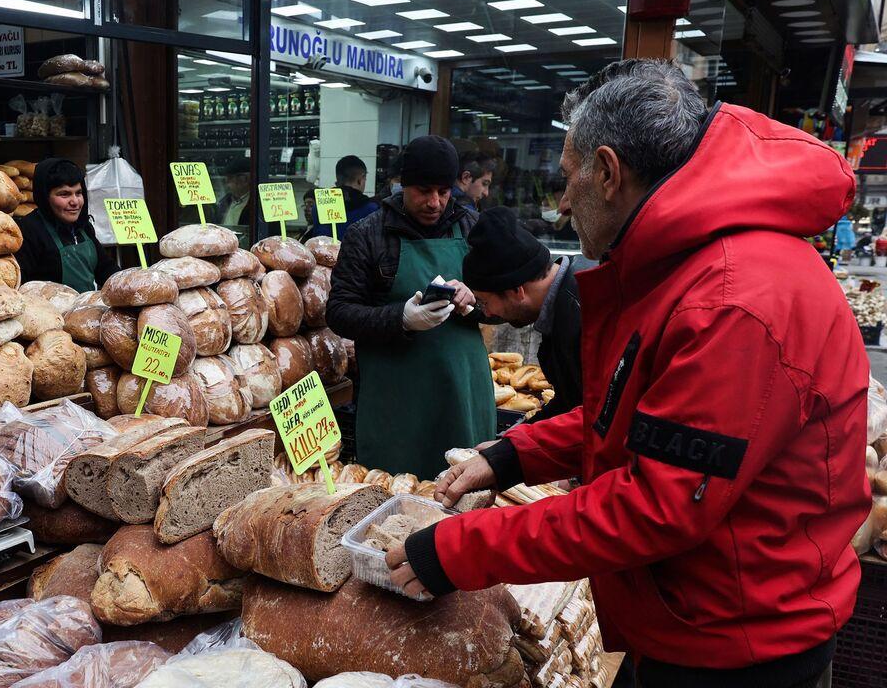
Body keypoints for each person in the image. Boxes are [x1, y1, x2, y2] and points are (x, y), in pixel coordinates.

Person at [388, 59, 866, 688]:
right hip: (690, 622)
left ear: (609, 173)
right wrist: (512, 457)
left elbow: (656, 505)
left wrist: (456, 549)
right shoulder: (689, 264)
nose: (560, 204)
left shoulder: (732, 298)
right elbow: (642, 416)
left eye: (566, 177)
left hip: (737, 651)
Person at [327, 135, 493, 477]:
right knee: (394, 496)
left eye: (443, 192)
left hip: (462, 392)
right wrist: (400, 318)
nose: (434, 202)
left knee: (465, 490)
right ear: (403, 184)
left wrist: (475, 300)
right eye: (424, 191)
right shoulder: (368, 235)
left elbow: (505, 305)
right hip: (397, 400)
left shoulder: (471, 226)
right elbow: (339, 312)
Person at [464, 207, 593, 424]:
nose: (486, 312)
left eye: (485, 302)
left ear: (517, 291)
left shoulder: (585, 312)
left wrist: (509, 450)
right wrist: (513, 440)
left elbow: (593, 417)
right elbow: (569, 404)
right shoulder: (563, 308)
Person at [12, 157, 118, 292]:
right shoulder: (29, 231)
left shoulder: (83, 227)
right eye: (64, 194)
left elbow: (106, 269)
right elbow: (20, 286)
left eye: (78, 193)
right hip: (48, 311)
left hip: (84, 309)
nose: (75, 202)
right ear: (45, 197)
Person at [300, 156, 380, 241]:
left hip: (324, 253)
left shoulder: (319, 206)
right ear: (360, 179)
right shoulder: (372, 210)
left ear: (337, 179)